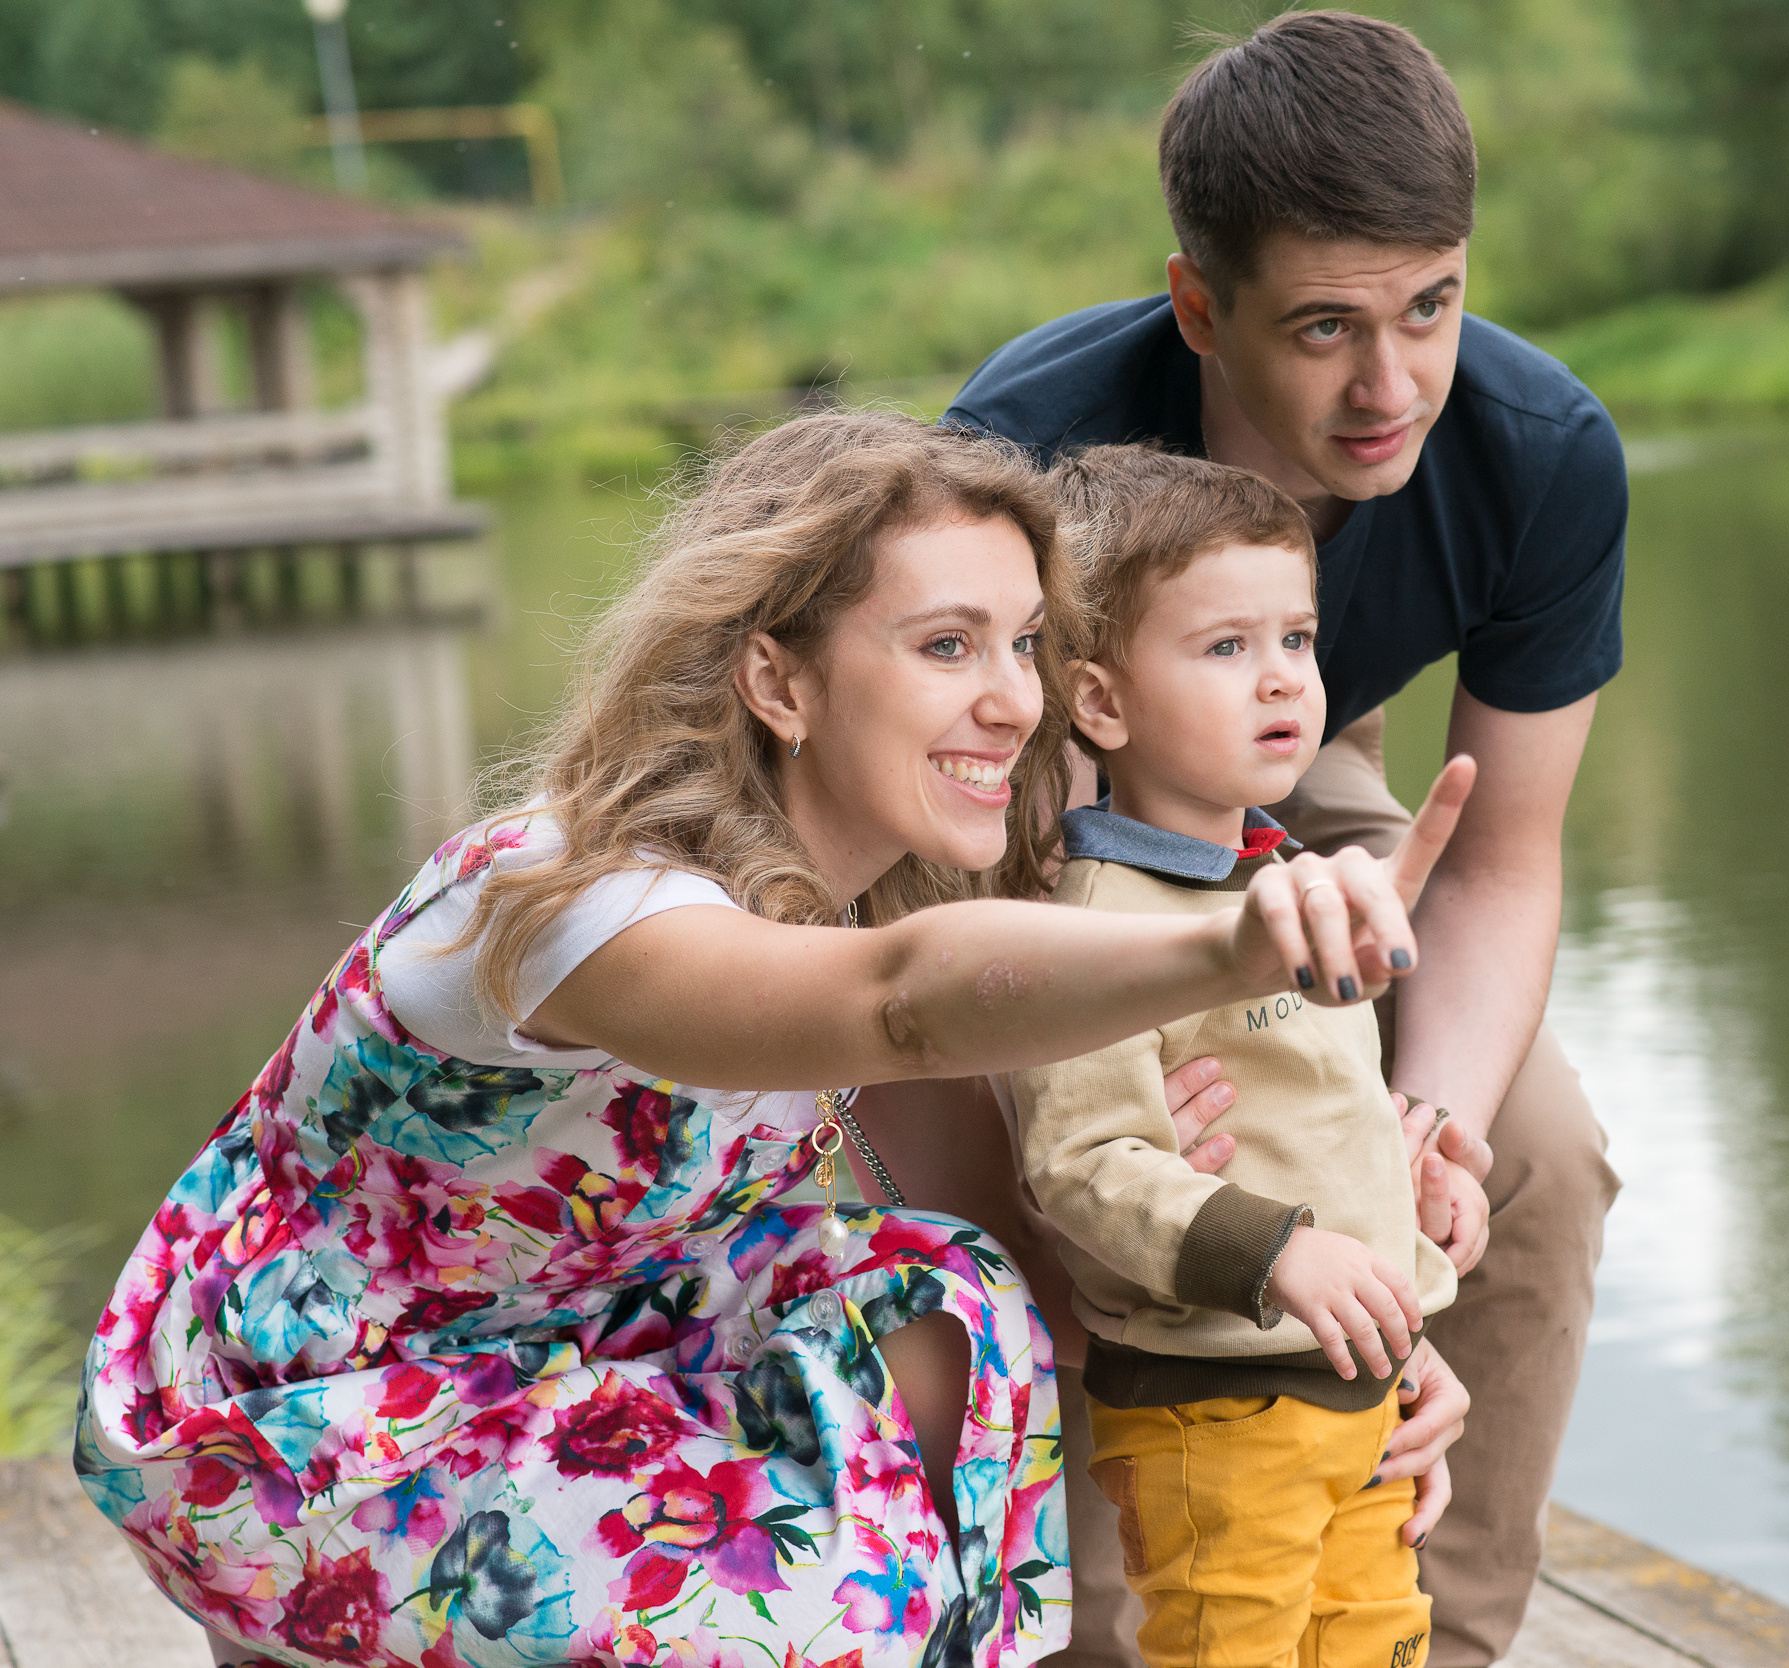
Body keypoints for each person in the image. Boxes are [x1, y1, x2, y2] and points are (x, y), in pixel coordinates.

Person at [74, 412, 1468, 1668]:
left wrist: (1353, 1359)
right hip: (305, 1418)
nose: (1014, 701)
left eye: (1025, 642)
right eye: (944, 646)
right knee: (829, 1575)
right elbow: (901, 1000)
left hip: (587, 1339)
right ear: (778, 683)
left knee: (955, 1302)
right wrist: (1234, 940)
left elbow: (1046, 1250)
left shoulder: (867, 890)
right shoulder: (588, 902)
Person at [942, 15, 1625, 1667]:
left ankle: (1432, 1637)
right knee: (1097, 1161)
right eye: (1323, 327)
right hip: (1036, 797)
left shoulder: (1538, 457)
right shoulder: (1012, 464)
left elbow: (1506, 852)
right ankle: (1117, 1620)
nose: (1391, 386)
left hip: (1303, 749)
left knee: (1535, 1150)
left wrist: (1422, 1152)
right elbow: (935, 869)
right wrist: (1097, 1042)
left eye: (1430, 308)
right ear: (1200, 306)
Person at [1007, 445, 1477, 1668]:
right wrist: (1276, 1250)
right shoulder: (1102, 926)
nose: (1281, 680)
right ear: (1100, 704)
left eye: (1297, 641)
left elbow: (1309, 1118)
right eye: (1226, 649)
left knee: (1377, 1641)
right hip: (1221, 1410)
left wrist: (1408, 1218)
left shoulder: (1280, 879)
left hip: (1353, 1390)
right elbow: (1086, 1162)